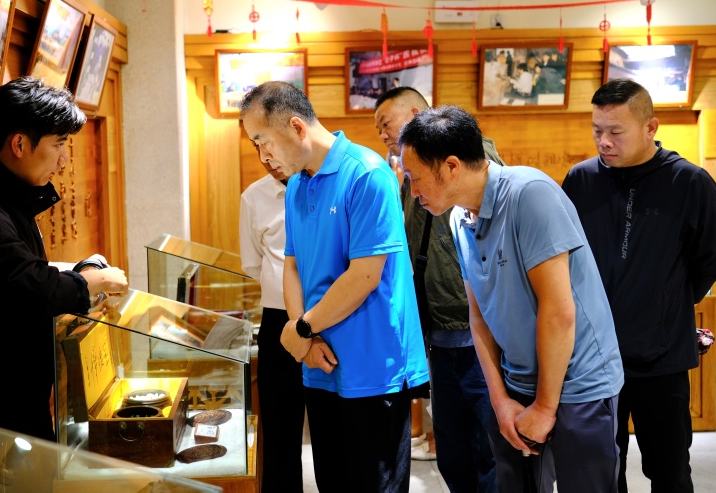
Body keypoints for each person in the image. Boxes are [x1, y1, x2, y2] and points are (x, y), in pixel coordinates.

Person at [399, 105, 624, 492]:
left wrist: (545, 408)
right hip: (517, 385)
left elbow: (558, 312)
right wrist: (501, 400)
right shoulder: (457, 218)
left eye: (415, 178)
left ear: (451, 166)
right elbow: (479, 318)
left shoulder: (528, 194)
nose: (413, 191)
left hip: (579, 386)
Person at [0, 76, 129, 441]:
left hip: (12, 405)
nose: (64, 159)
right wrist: (90, 282)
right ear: (19, 144)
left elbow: (14, 268)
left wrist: (77, 272)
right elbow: (25, 287)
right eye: (58, 144)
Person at [241, 81, 428, 493]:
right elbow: (292, 265)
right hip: (320, 363)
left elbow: (364, 275)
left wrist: (302, 328)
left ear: (296, 127)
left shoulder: (367, 174)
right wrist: (303, 336)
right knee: (332, 482)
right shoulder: (296, 185)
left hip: (372, 366)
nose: (263, 155)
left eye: (263, 141)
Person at [561, 79, 716, 493]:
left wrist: (666, 305)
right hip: (594, 359)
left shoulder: (689, 182)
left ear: (650, 127)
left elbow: (710, 260)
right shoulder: (580, 180)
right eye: (597, 130)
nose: (604, 141)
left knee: (670, 473)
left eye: (615, 131)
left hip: (662, 361)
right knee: (601, 472)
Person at [374, 87, 500, 492]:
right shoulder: (409, 176)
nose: (383, 135)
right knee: (453, 449)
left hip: (478, 335)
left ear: (415, 113)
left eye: (386, 124)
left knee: (490, 450)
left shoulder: (471, 157)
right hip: (439, 335)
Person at [239, 145, 305, 493]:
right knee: (280, 430)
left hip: (331, 316)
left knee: (333, 426)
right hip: (277, 320)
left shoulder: (326, 186)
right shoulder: (254, 196)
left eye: (270, 146)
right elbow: (252, 264)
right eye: (257, 147)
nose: (265, 157)